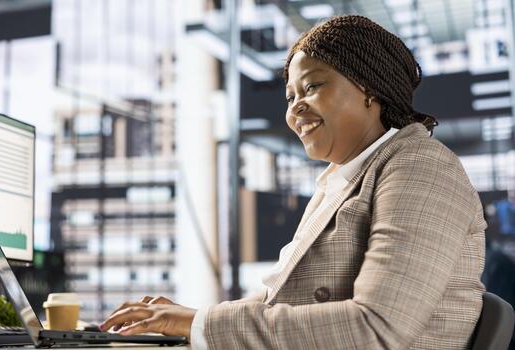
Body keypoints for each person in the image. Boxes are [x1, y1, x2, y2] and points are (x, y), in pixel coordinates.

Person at [99, 15, 487, 349]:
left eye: (313, 87)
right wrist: (188, 320)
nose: (295, 108)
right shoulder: (342, 179)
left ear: (370, 88)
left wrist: (199, 325)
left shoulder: (420, 167)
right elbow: (280, 298)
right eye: (290, 96)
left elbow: (376, 329)